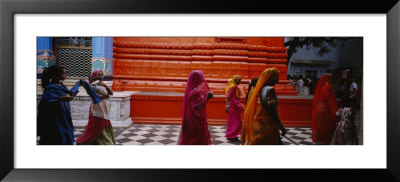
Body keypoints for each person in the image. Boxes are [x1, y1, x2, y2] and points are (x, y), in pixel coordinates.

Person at [241, 68, 287, 145]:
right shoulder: (269, 90)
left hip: (258, 124)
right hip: (267, 126)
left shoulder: (258, 88)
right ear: (271, 78)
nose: (278, 80)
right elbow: (272, 111)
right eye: (276, 77)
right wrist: (280, 126)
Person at [37, 64, 76, 145]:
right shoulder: (50, 88)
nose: (66, 75)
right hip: (55, 118)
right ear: (56, 75)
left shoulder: (61, 85)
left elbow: (65, 95)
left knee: (66, 134)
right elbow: (44, 104)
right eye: (63, 73)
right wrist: (60, 99)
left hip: (64, 115)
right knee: (57, 137)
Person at [76, 70, 115, 145]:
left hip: (104, 108)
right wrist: (103, 96)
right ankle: (104, 142)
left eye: (102, 74)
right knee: (98, 123)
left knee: (104, 122)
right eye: (98, 75)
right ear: (94, 76)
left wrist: (105, 85)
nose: (100, 76)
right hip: (98, 108)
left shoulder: (103, 84)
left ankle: (97, 141)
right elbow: (92, 95)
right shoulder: (92, 86)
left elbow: (111, 93)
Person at [178, 70, 214, 145]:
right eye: (201, 77)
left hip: (190, 118)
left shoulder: (191, 90)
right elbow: (197, 105)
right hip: (195, 119)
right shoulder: (196, 92)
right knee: (197, 136)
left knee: (192, 136)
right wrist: (207, 97)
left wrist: (206, 97)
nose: (202, 79)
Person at [312, 73, 338, 144]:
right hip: (325, 108)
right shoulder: (328, 87)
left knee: (320, 124)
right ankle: (325, 139)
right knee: (326, 124)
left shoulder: (321, 87)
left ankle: (318, 138)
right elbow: (330, 100)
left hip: (319, 107)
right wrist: (335, 110)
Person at [225, 75, 245, 141]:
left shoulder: (235, 87)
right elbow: (228, 97)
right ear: (235, 80)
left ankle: (231, 135)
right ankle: (232, 135)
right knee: (237, 122)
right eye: (239, 80)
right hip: (233, 107)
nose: (240, 81)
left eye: (240, 80)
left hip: (234, 107)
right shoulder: (233, 87)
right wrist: (227, 106)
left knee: (233, 122)